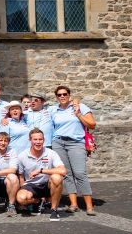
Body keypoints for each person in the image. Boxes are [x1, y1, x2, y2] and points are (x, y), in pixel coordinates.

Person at [50, 85, 97, 215]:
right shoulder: (54, 110)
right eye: (59, 95)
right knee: (67, 174)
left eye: (65, 94)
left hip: (76, 143)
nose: (62, 96)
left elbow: (92, 125)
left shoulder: (80, 107)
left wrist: (78, 114)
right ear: (56, 97)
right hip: (58, 142)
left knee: (80, 173)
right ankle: (74, 204)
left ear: (69, 95)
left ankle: (89, 206)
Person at [16, 129, 67, 221]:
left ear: (44, 140)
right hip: (31, 185)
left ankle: (54, 210)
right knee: (21, 198)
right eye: (35, 139)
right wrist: (23, 189)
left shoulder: (51, 153)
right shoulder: (22, 156)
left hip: (47, 184)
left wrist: (41, 170)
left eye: (40, 139)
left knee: (57, 177)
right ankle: (38, 201)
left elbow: (63, 171)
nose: (38, 142)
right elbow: (20, 176)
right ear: (30, 140)